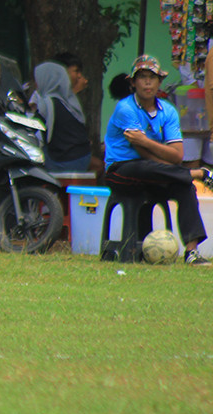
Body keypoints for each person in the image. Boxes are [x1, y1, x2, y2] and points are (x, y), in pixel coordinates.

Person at [104, 55, 213, 266]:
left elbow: (177, 155)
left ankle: (192, 251)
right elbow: (142, 152)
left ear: (159, 82)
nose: (147, 82)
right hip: (122, 170)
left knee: (184, 186)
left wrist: (146, 140)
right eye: (142, 77)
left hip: (156, 171)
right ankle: (197, 173)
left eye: (152, 77)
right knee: (143, 167)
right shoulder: (126, 108)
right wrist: (159, 154)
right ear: (133, 82)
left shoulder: (168, 110)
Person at [33, 61, 91, 172]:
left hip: (64, 160)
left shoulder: (47, 102)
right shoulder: (70, 100)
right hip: (84, 157)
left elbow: (34, 126)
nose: (36, 84)